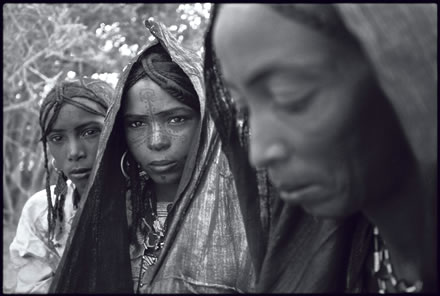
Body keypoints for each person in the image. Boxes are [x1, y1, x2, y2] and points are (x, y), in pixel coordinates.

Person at [205, 3, 437, 293]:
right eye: (242, 110)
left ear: (402, 73)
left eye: (290, 96)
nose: (259, 153)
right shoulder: (309, 262)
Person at [49, 20, 254, 293]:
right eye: (136, 123)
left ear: (207, 121)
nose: (157, 141)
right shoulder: (108, 212)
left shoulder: (247, 207)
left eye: (177, 119)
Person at [9, 78, 113, 293]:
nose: (74, 152)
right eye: (57, 138)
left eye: (90, 132)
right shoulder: (42, 214)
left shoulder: (159, 208)